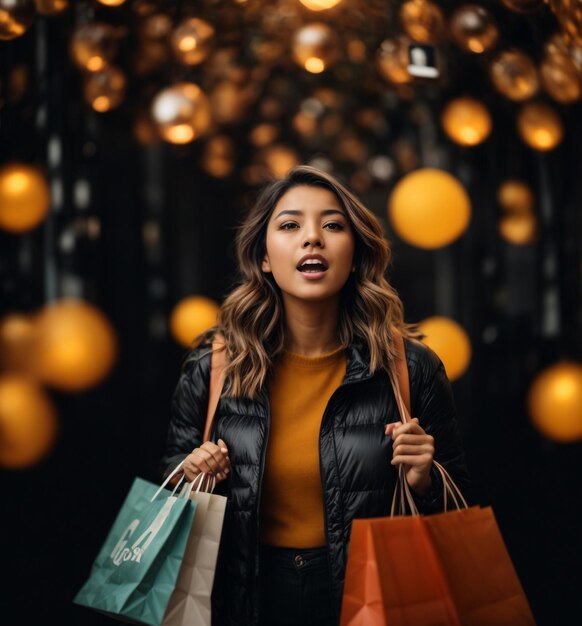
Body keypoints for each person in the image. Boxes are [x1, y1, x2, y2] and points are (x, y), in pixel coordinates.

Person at [159, 165, 470, 626]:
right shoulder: (215, 369)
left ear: (356, 252)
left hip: (369, 602)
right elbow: (169, 492)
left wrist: (425, 478)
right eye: (289, 225)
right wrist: (192, 473)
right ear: (264, 257)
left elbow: (458, 517)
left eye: (332, 225)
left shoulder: (410, 368)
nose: (312, 239)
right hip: (248, 599)